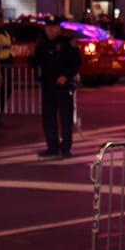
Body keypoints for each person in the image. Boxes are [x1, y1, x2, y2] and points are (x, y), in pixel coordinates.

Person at [30, 17, 81, 159]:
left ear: (58, 29)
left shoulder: (67, 43)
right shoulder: (42, 45)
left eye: (53, 27)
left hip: (63, 86)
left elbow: (76, 62)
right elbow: (35, 62)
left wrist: (66, 76)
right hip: (48, 86)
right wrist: (32, 57)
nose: (50, 30)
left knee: (66, 118)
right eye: (48, 28)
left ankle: (65, 147)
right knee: (48, 117)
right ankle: (52, 146)